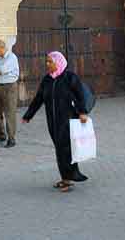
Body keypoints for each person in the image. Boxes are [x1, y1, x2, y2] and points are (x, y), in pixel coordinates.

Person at [22, 51, 90, 193]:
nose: (47, 64)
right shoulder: (47, 80)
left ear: (58, 62)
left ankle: (68, 179)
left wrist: (83, 112)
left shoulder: (69, 77)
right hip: (52, 120)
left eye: (50, 62)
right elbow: (39, 98)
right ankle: (70, 175)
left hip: (68, 119)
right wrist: (28, 115)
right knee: (61, 149)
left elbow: (80, 95)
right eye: (46, 62)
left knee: (64, 149)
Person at [0, 39, 20, 148]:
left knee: (9, 113)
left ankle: (11, 139)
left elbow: (1, 70)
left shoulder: (12, 57)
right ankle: (1, 135)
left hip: (10, 86)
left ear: (2, 48)